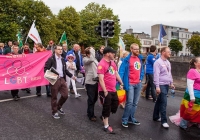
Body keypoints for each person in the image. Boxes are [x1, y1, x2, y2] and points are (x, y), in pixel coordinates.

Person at [44, 45, 75, 119]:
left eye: (61, 49)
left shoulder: (62, 59)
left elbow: (65, 70)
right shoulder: (51, 59)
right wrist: (53, 75)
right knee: (54, 96)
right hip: (54, 80)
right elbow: (45, 69)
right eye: (59, 49)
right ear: (55, 50)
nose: (60, 50)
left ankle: (59, 106)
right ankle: (54, 112)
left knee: (65, 95)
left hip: (62, 79)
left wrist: (71, 76)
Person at [98, 47, 123, 134]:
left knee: (115, 104)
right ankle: (106, 126)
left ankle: (103, 116)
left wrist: (121, 83)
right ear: (108, 54)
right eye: (112, 53)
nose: (114, 55)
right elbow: (101, 79)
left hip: (113, 89)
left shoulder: (112, 62)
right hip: (105, 90)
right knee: (107, 107)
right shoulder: (101, 64)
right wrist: (105, 91)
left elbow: (115, 73)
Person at [119, 43, 144, 128]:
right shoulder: (126, 59)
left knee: (135, 103)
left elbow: (142, 70)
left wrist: (141, 78)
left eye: (138, 49)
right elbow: (121, 71)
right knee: (129, 103)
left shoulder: (139, 58)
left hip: (138, 83)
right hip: (129, 83)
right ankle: (124, 119)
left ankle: (131, 118)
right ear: (131, 49)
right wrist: (121, 83)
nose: (138, 51)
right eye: (136, 49)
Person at [153, 47, 175, 128]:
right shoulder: (157, 63)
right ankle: (164, 121)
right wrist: (157, 87)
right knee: (164, 103)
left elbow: (169, 74)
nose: (170, 53)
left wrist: (171, 83)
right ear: (163, 52)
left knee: (159, 101)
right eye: (168, 51)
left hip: (166, 84)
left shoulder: (168, 62)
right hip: (161, 84)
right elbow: (156, 75)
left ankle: (155, 116)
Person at [178, 57, 200, 130]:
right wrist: (192, 97)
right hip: (193, 94)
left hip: (199, 94)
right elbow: (190, 85)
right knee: (190, 110)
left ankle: (196, 122)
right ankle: (183, 124)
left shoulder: (199, 71)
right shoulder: (192, 71)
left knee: (198, 110)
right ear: (195, 63)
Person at [83, 47, 98, 121]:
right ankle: (91, 115)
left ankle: (89, 110)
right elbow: (91, 59)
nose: (91, 54)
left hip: (96, 80)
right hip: (90, 81)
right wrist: (92, 50)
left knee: (95, 98)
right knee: (91, 99)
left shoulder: (95, 60)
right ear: (87, 54)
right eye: (90, 53)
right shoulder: (85, 59)